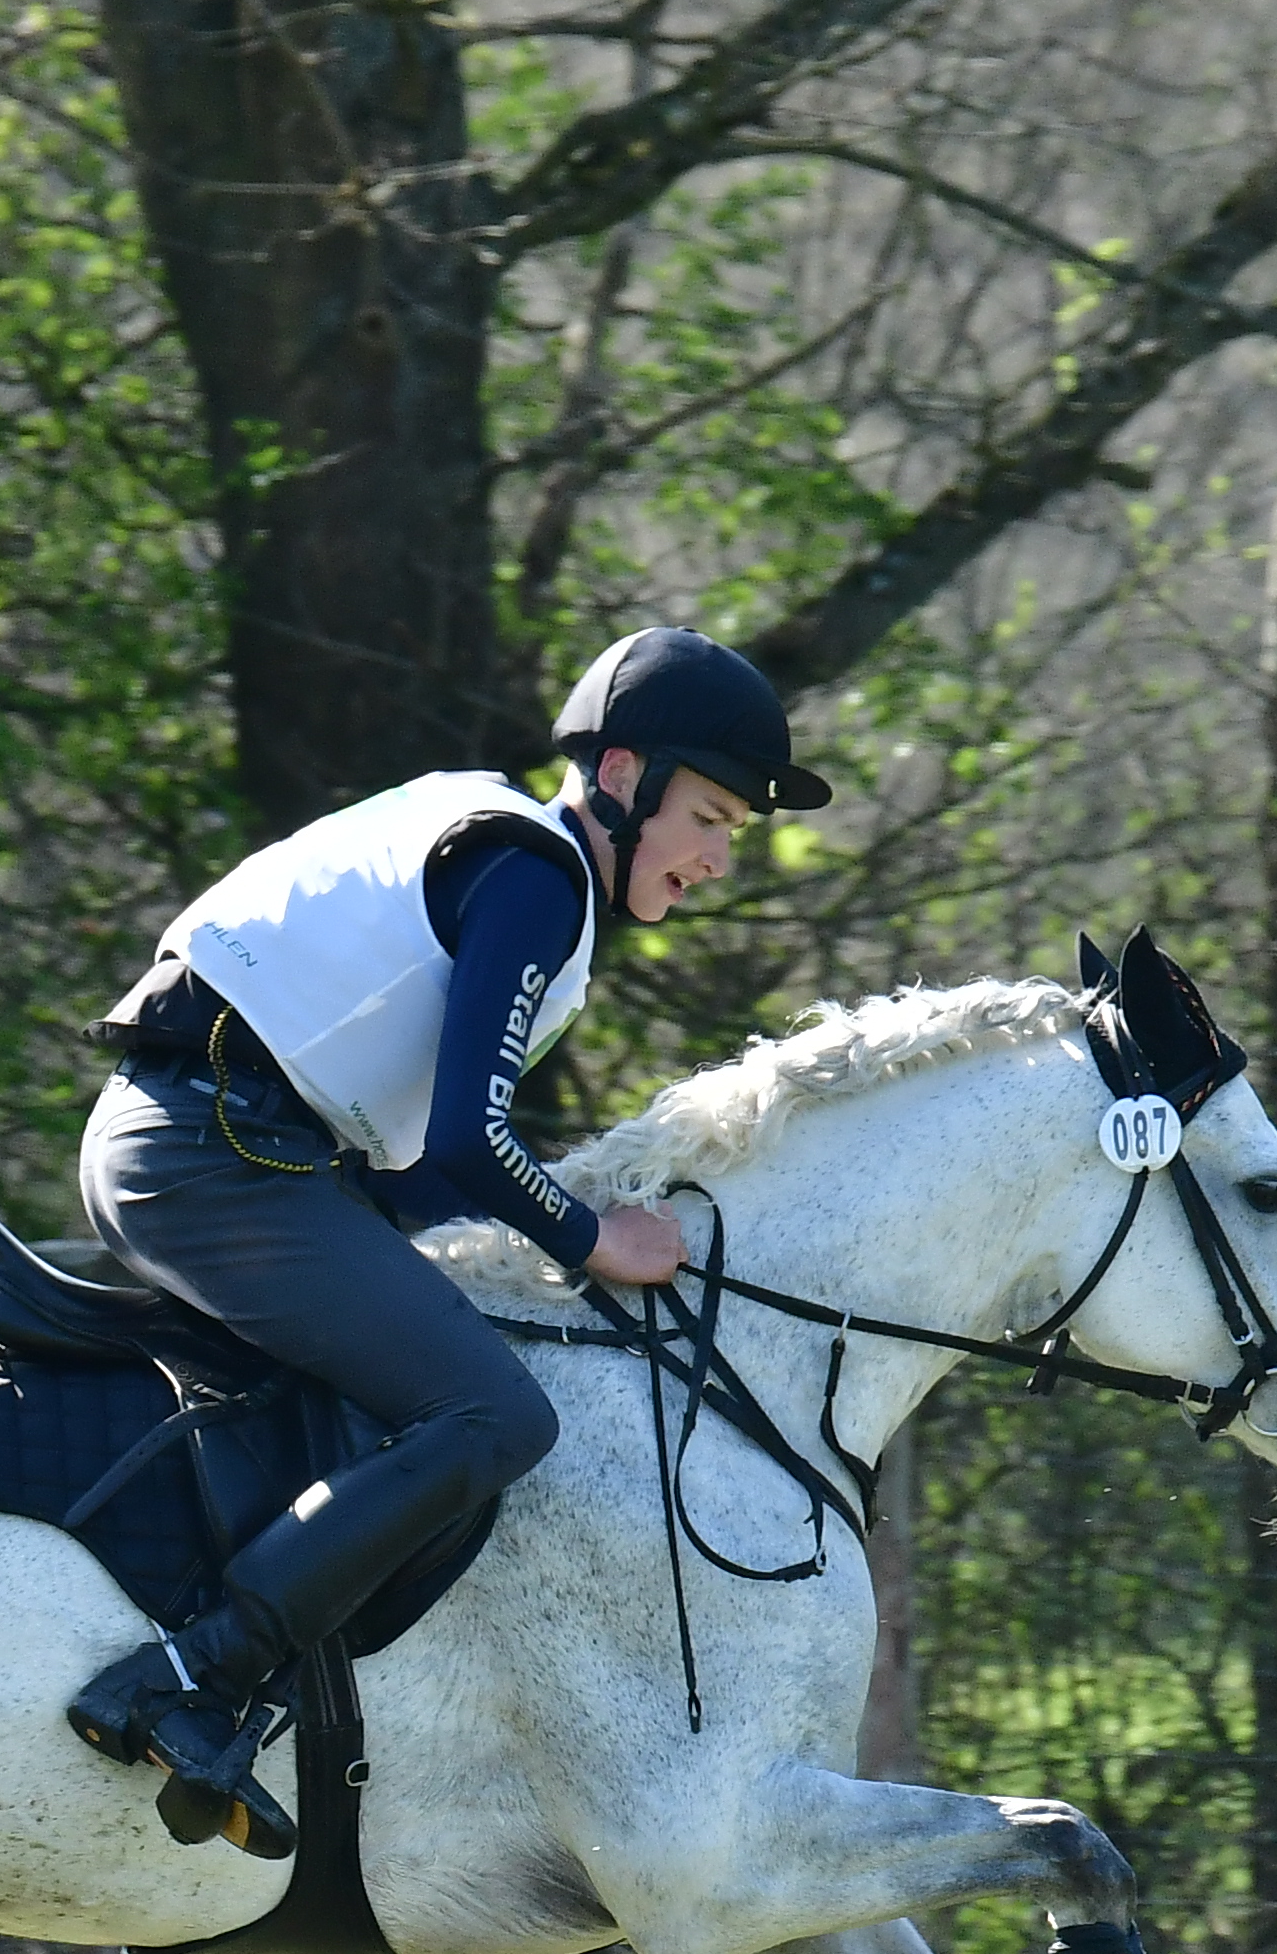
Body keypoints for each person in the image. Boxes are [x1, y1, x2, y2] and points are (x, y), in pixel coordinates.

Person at [64, 627, 832, 1855]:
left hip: (211, 1145)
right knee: (500, 1417)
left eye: (734, 830)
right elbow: (471, 1148)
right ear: (623, 778)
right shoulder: (536, 879)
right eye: (710, 815)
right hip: (213, 1158)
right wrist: (592, 1240)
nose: (717, 858)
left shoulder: (497, 846)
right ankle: (195, 1674)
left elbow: (421, 1175)